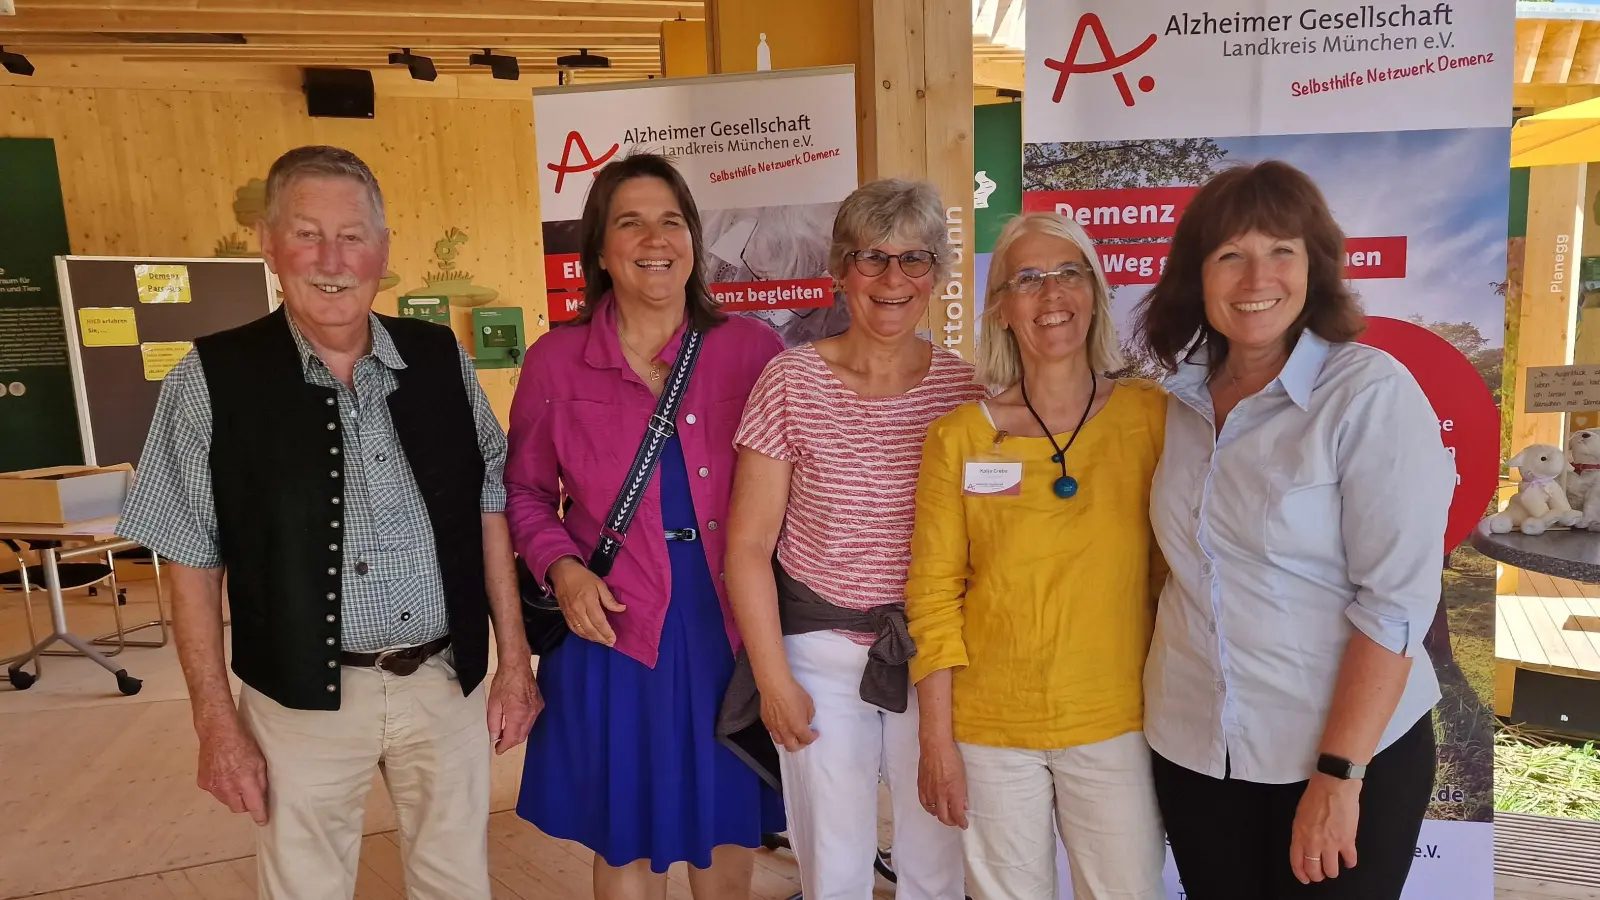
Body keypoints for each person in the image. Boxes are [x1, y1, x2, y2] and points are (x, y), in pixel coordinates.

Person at [117, 145, 539, 900]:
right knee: (305, 890)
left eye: (352, 235)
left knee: (457, 884)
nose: (332, 257)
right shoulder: (210, 378)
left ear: (383, 249)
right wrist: (216, 723)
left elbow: (491, 506)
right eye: (308, 233)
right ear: (269, 245)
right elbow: (189, 558)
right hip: (298, 701)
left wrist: (514, 664)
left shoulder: (440, 357)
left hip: (447, 682)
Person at [1131, 160, 1454, 900]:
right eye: (1230, 256)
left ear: (1316, 267)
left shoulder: (1368, 393)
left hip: (1343, 757)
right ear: (1196, 275)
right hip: (1195, 751)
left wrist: (1339, 775)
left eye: (1282, 251)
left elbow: (1395, 603)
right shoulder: (1171, 403)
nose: (1257, 279)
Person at [503, 152, 786, 899]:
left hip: (727, 618)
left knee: (725, 820)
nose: (654, 238)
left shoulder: (754, 350)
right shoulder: (555, 361)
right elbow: (525, 492)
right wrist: (562, 569)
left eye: (671, 220)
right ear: (600, 248)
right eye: (631, 222)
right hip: (612, 621)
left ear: (694, 239)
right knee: (622, 825)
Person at [722, 177, 983, 899]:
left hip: (932, 659)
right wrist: (773, 679)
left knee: (939, 856)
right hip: (818, 655)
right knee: (832, 862)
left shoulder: (967, 392)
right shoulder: (790, 381)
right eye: (871, 258)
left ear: (939, 273)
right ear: (839, 270)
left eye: (915, 259)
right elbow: (747, 546)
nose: (892, 280)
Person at [903, 212, 1170, 900]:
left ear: (1095, 293)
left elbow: (1180, 575)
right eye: (1028, 278)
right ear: (1000, 308)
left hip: (1119, 719)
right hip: (990, 729)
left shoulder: (1152, 419)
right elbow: (932, 598)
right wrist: (936, 742)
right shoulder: (957, 438)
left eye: (1069, 272)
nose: (1052, 294)